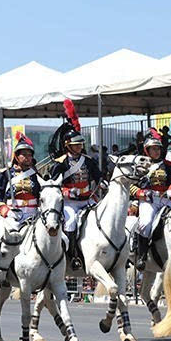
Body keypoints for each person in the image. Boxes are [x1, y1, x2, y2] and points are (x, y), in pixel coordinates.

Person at [50, 101, 103, 270]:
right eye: (76, 145)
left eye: (80, 144)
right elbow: (53, 186)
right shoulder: (60, 163)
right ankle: (73, 256)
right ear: (68, 146)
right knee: (71, 222)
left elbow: (98, 177)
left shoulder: (88, 160)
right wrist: (67, 191)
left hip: (88, 199)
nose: (80, 147)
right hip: (70, 203)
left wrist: (103, 184)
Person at [132, 129, 171, 271]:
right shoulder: (140, 164)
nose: (157, 152)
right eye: (154, 149)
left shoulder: (167, 165)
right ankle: (142, 256)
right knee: (145, 223)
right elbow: (131, 185)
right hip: (148, 200)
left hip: (165, 198)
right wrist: (141, 193)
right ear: (147, 150)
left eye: (158, 149)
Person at [0, 134, 40, 224]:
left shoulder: (35, 175)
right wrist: (4, 209)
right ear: (16, 156)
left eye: (30, 155)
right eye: (24, 155)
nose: (27, 157)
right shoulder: (6, 174)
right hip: (12, 213)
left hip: (34, 213)